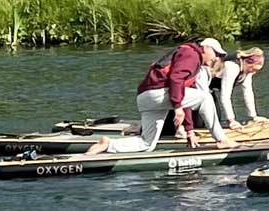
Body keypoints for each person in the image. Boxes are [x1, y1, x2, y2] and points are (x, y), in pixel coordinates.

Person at [86, 38, 239, 155]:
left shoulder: (188, 56)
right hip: (158, 93)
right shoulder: (192, 54)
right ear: (205, 47)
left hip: (146, 97)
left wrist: (189, 131)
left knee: (147, 144)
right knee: (205, 97)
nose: (216, 57)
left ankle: (108, 144)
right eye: (216, 53)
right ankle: (222, 139)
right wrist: (177, 106)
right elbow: (176, 79)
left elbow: (183, 94)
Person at [211, 47, 267, 129]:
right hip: (201, 88)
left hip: (212, 91)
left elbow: (248, 93)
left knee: (215, 117)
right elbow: (225, 96)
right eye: (253, 69)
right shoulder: (232, 67)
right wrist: (231, 120)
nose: (254, 73)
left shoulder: (247, 71)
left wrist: (254, 116)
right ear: (247, 63)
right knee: (208, 118)